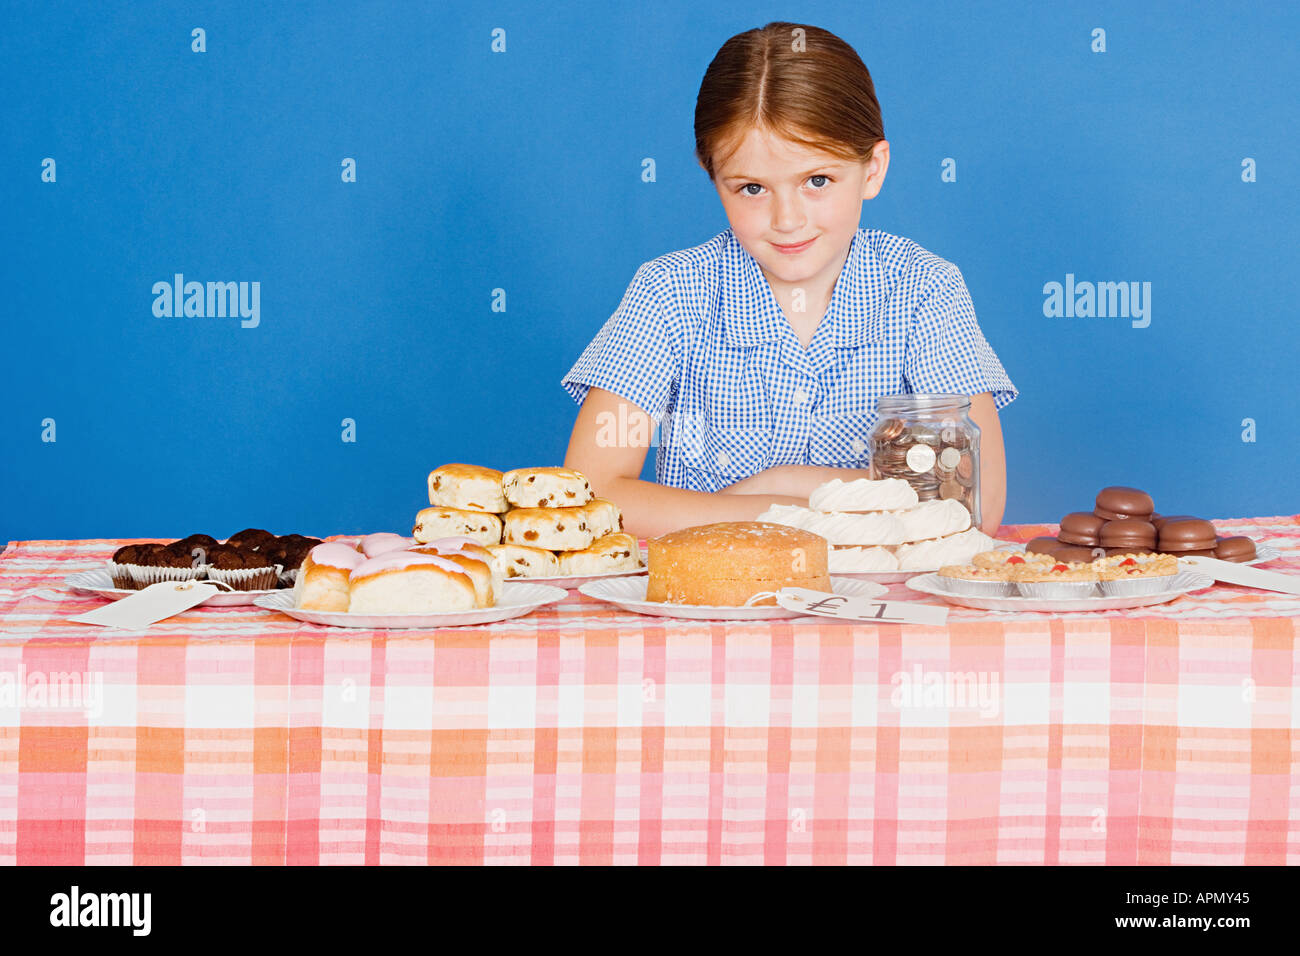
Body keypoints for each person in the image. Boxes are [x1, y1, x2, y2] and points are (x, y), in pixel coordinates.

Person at [561, 21, 1017, 539]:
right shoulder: (669, 293)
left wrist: (780, 482)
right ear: (714, 178)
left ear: (872, 170)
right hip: (712, 608)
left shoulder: (923, 290)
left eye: (816, 181)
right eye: (752, 188)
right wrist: (799, 510)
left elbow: (973, 498)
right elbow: (593, 491)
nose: (787, 219)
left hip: (879, 613)